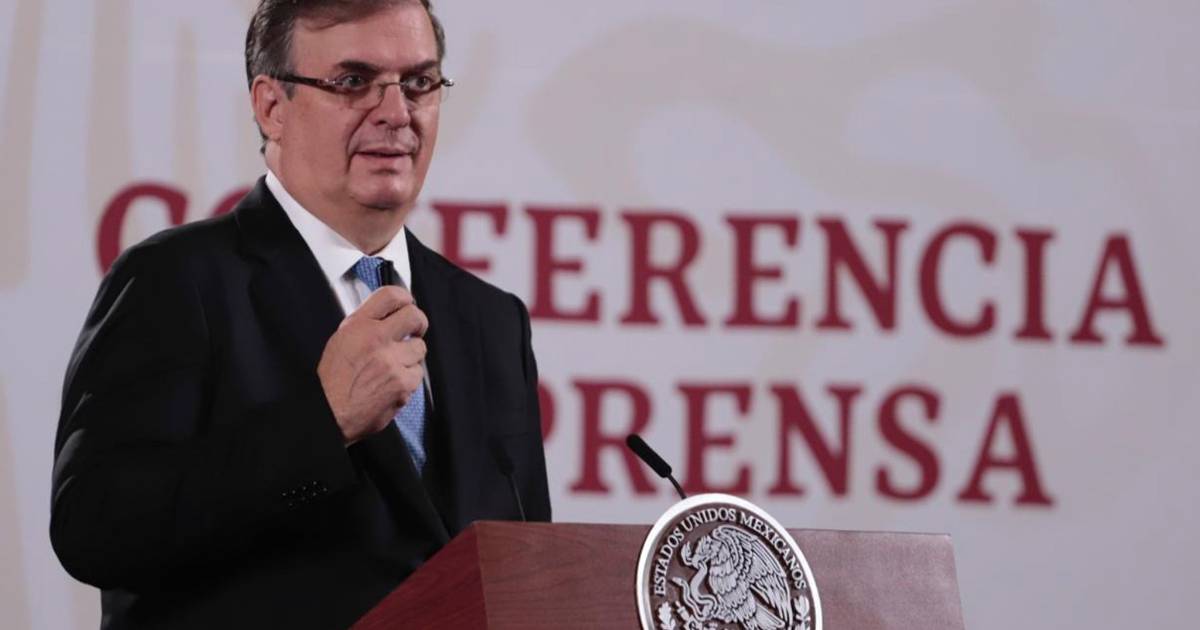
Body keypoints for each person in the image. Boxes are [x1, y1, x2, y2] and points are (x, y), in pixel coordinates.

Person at [50, 1, 550, 627]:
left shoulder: (492, 320)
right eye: (353, 81)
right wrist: (324, 421)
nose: (397, 113)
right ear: (271, 107)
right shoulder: (175, 280)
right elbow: (95, 526)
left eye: (419, 82)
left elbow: (526, 566)